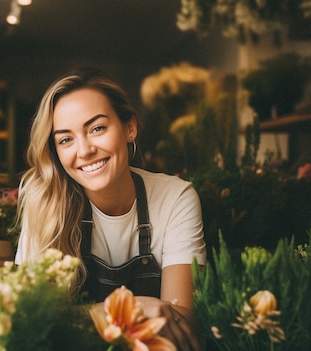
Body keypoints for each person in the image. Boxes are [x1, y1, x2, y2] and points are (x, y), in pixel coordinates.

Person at [14, 67, 207, 351]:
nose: (84, 150)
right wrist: (121, 312)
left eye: (97, 128)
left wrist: (76, 321)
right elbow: (27, 323)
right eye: (66, 139)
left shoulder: (176, 198)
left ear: (130, 128)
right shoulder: (43, 202)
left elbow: (181, 326)